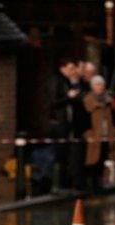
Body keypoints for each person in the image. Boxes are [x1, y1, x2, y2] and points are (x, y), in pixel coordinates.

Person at [48, 58, 83, 189]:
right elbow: (54, 101)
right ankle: (57, 184)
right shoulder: (57, 81)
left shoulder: (67, 81)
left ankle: (64, 182)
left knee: (66, 153)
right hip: (58, 123)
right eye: (70, 68)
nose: (73, 71)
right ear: (62, 68)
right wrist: (69, 97)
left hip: (66, 122)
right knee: (60, 153)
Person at [82, 75, 115, 193]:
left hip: (107, 135)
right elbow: (84, 119)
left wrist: (114, 131)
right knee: (93, 160)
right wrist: (87, 134)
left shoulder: (109, 101)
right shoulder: (88, 101)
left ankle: (101, 184)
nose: (100, 87)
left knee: (105, 160)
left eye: (102, 85)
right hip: (94, 136)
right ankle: (91, 185)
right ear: (93, 87)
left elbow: (114, 117)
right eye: (97, 85)